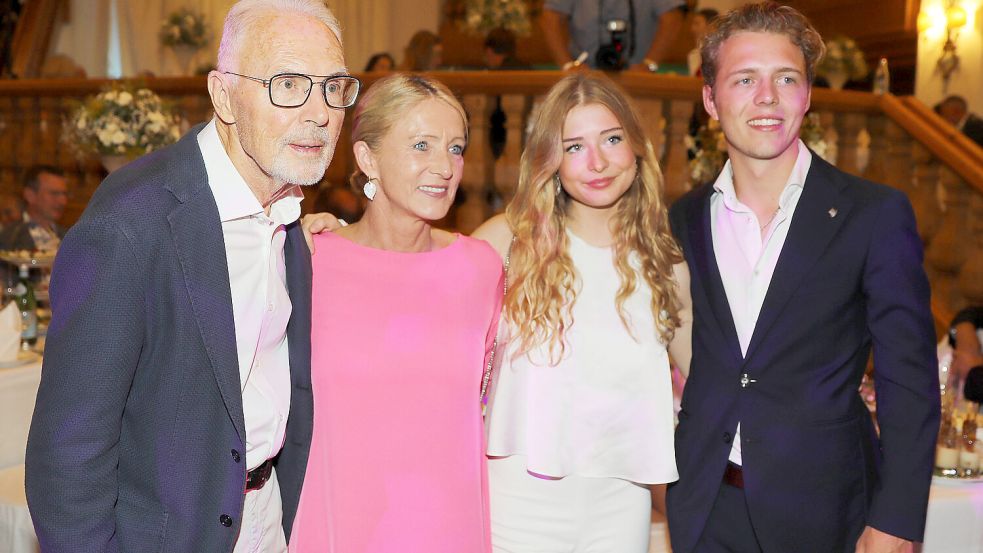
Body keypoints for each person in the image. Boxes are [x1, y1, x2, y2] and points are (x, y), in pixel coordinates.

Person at [24, 1, 357, 552]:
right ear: (223, 95)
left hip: (270, 520)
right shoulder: (131, 225)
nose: (320, 112)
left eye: (332, 86)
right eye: (289, 83)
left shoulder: (288, 210)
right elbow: (68, 454)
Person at [666, 3, 939, 552]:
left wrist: (897, 521)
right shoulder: (684, 218)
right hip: (704, 509)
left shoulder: (873, 214)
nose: (766, 97)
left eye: (785, 78)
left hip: (828, 513)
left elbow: (908, 382)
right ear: (710, 101)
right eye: (744, 79)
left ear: (807, 96)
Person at [474, 72, 693, 553]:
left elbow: (709, 381)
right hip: (518, 496)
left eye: (611, 139)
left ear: (637, 146)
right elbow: (414, 292)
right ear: (550, 161)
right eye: (573, 147)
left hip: (623, 498)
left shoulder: (664, 262)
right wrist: (343, 234)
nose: (596, 162)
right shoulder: (508, 242)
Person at [288, 73, 504, 552]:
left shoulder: (479, 269)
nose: (445, 167)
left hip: (449, 527)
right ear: (368, 158)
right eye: (421, 145)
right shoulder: (311, 260)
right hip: (338, 525)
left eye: (454, 148)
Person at [540, 0, 686, 71]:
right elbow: (550, 18)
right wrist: (568, 66)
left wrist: (649, 64)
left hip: (636, 77)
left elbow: (672, 18)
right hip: (584, 76)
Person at [0, 164, 68, 252]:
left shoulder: (70, 237)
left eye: (65, 194)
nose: (63, 201)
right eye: (54, 194)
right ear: (30, 195)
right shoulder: (10, 237)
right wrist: (34, 262)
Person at [687, 8, 718, 76]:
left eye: (697, 24)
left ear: (712, 26)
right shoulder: (693, 55)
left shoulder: (722, 52)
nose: (692, 29)